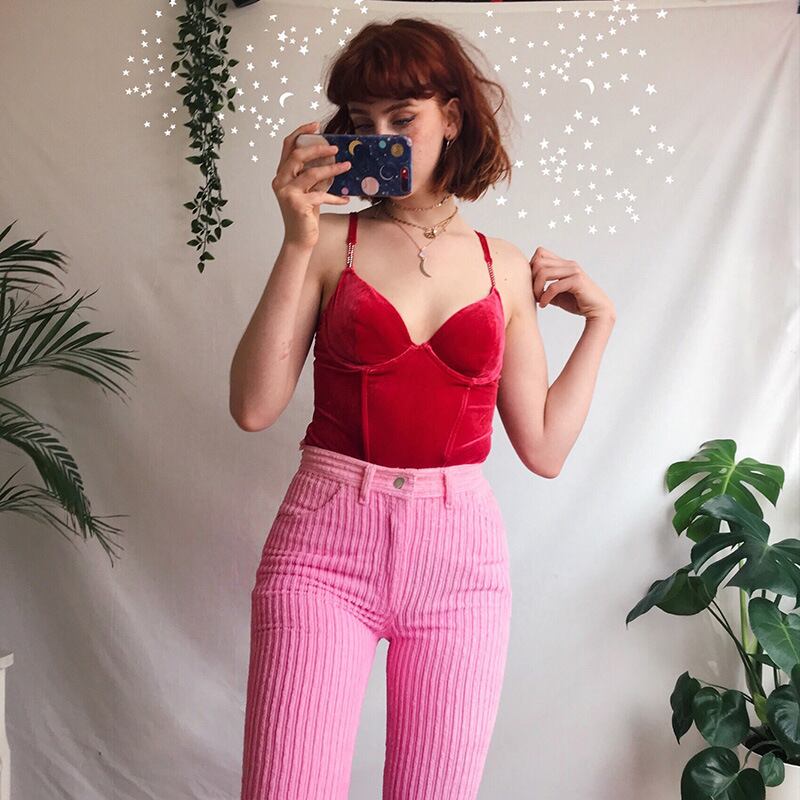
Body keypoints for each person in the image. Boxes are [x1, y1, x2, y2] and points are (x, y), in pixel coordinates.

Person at [230, 17, 616, 800]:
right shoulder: (328, 243)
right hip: (323, 550)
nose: (382, 139)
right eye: (362, 121)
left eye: (402, 119)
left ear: (453, 117)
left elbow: (543, 448)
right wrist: (296, 239)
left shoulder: (504, 267)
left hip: (459, 561)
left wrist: (601, 323)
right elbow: (253, 407)